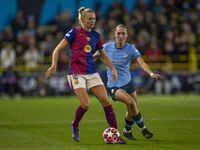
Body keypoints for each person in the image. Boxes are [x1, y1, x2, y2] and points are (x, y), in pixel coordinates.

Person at [45, 8, 126, 144]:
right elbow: (57, 49)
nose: (92, 21)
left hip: (91, 72)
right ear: (82, 19)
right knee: (86, 104)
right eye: (89, 19)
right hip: (76, 73)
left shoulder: (96, 36)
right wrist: (54, 66)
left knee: (106, 102)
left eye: (94, 19)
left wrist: (113, 68)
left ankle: (115, 135)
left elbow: (103, 56)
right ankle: (75, 125)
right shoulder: (74, 32)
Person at [94, 24, 161, 140]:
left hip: (128, 83)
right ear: (115, 34)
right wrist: (83, 64)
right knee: (130, 102)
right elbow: (93, 57)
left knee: (132, 108)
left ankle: (127, 131)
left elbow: (142, 63)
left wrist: (151, 73)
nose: (120, 36)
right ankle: (143, 129)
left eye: (123, 33)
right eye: (118, 33)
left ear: (127, 35)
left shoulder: (131, 48)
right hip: (114, 86)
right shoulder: (106, 47)